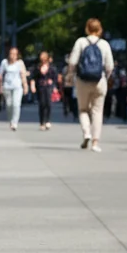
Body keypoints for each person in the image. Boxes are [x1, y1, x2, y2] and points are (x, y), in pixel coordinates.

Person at [67, 18, 115, 152]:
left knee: (83, 109)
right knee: (97, 111)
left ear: (87, 28)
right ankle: (95, 142)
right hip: (100, 81)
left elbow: (72, 62)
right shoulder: (104, 44)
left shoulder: (81, 42)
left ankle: (86, 133)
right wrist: (106, 77)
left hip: (83, 81)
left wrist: (70, 76)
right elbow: (110, 66)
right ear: (100, 30)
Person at [0, 47, 28, 131]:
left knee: (16, 104)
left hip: (17, 87)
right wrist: (0, 86)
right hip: (7, 86)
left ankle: (14, 122)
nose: (13, 56)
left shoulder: (20, 63)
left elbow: (23, 75)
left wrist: (25, 86)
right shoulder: (4, 62)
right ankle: (10, 119)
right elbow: (0, 75)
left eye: (15, 54)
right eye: (11, 53)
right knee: (9, 105)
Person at [31, 51, 59, 130]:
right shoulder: (37, 67)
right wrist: (33, 86)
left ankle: (48, 121)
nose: (43, 60)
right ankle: (41, 122)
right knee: (42, 104)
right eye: (41, 59)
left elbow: (55, 78)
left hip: (49, 87)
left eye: (44, 59)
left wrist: (54, 86)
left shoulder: (51, 68)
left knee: (48, 104)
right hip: (40, 87)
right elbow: (33, 77)